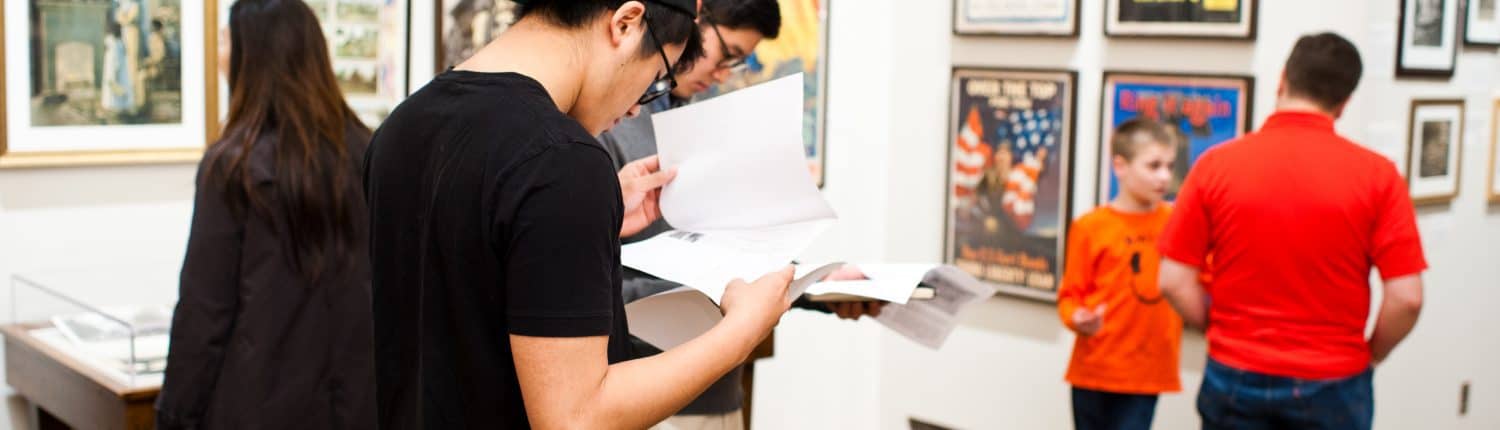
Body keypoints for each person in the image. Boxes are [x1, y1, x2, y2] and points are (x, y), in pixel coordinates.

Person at [365, 1, 800, 428]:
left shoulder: (402, 127)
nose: (635, 108)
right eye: (654, 80)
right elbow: (577, 418)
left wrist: (593, 216)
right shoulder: (562, 161)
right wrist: (741, 332)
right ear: (626, 22)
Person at [597, 1, 879, 428]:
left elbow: (725, 252)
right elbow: (596, 286)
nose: (723, 74)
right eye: (726, 54)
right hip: (645, 392)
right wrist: (725, 295)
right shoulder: (607, 127)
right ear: (695, 17)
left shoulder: (693, 118)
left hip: (720, 387)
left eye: (738, 63)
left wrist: (812, 284)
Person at [1158, 33, 1427, 430]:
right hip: (1334, 376)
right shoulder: (1378, 177)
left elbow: (1173, 280)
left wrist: (1222, 331)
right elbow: (1407, 299)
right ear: (1344, 103)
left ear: (1282, 79)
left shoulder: (1216, 166)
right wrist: (1371, 354)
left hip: (1235, 370)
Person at [156, 0, 376, 428]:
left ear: (250, 54)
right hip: (357, 405)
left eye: (223, 39)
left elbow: (204, 314)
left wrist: (174, 416)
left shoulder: (234, 166)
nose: (218, 50)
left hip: (257, 406)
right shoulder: (365, 151)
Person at [1057, 119, 1181, 430]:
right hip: (1095, 370)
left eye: (1169, 166)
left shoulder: (1177, 223)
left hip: (1145, 374)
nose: (1164, 176)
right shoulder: (1091, 226)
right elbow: (1070, 297)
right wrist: (1078, 319)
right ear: (1120, 166)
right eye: (1153, 166)